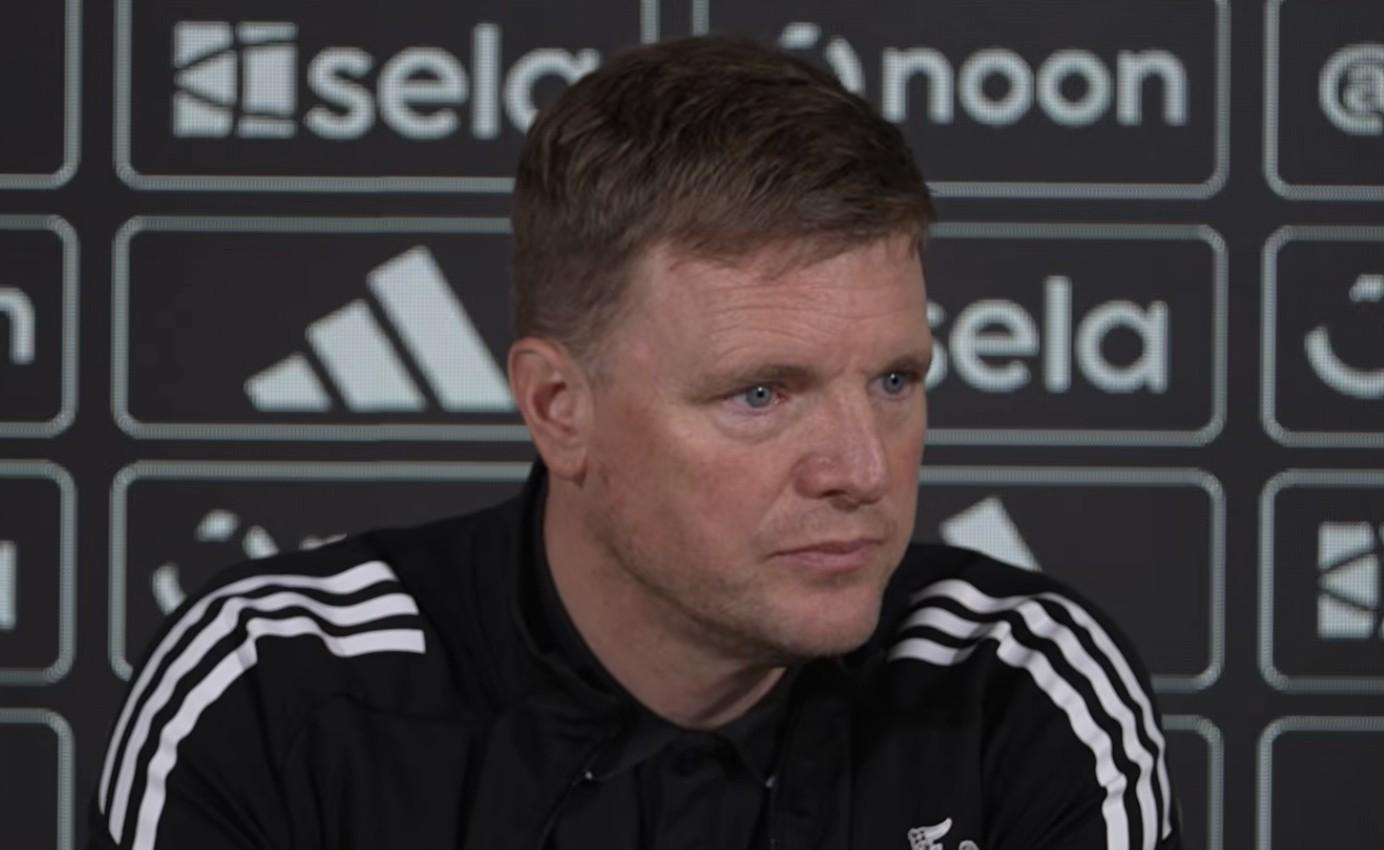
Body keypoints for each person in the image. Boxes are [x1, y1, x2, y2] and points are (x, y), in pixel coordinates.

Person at [90, 35, 1181, 850]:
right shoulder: (274, 692)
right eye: (762, 394)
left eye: (894, 380)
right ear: (558, 407)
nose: (860, 469)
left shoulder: (1015, 690)